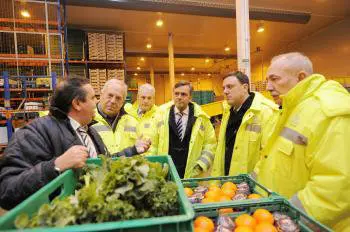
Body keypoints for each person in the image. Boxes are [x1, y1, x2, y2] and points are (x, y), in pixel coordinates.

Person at [0, 78, 150, 210]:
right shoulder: (34, 132)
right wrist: (56, 166)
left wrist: (132, 150)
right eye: (93, 98)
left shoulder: (89, 131)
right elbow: (7, 190)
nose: (97, 102)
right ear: (77, 103)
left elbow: (103, 163)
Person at [257, 52, 350, 230]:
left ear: (300, 77)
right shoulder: (294, 107)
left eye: (275, 79)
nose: (268, 86)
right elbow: (271, 158)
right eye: (268, 80)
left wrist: (286, 221)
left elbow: (337, 188)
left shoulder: (329, 112)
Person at [211, 71, 278, 177]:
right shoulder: (227, 111)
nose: (225, 91)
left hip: (251, 186)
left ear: (245, 87)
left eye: (230, 87)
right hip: (227, 182)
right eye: (224, 88)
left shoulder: (266, 112)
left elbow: (269, 154)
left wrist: (252, 180)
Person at [153, 81, 216, 178]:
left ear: (190, 97)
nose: (179, 97)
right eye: (176, 93)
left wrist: (200, 166)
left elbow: (210, 145)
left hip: (192, 173)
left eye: (183, 94)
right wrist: (156, 166)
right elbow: (153, 144)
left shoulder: (202, 118)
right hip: (166, 172)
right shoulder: (160, 116)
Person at [92, 79, 144, 154]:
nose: (113, 101)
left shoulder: (133, 122)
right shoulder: (88, 120)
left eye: (118, 98)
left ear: (123, 102)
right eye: (110, 95)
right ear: (101, 95)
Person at [125, 83, 158, 155]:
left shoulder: (160, 115)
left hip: (151, 161)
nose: (146, 101)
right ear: (137, 97)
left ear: (154, 99)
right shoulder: (127, 113)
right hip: (130, 160)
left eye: (149, 98)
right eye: (143, 97)